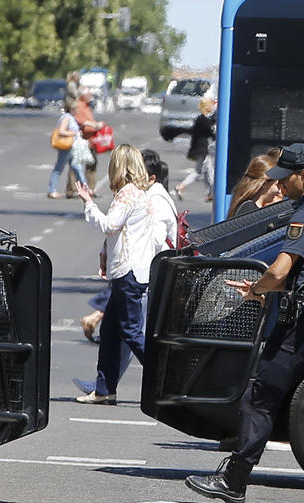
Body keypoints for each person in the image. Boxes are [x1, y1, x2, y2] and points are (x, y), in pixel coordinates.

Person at [184, 142, 304, 503]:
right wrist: (270, 289)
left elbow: (280, 269)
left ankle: (234, 479)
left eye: (286, 179)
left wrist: (258, 289)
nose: (281, 185)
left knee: (261, 396)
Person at [74, 149, 175, 395]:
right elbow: (123, 233)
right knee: (110, 330)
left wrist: (89, 203)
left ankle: (168, 378)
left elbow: (110, 225)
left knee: (131, 331)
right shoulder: (138, 193)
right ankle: (104, 389)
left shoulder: (128, 194)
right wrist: (105, 253)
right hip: (129, 270)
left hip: (129, 272)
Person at [174, 97, 216, 202]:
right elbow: (210, 132)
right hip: (202, 149)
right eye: (211, 104)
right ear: (206, 106)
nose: (212, 107)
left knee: (203, 171)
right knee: (205, 171)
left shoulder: (200, 119)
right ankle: (211, 192)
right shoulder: (203, 120)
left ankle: (210, 193)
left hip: (200, 149)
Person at [66, 88, 103, 198]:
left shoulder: (87, 106)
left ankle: (91, 189)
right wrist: (91, 124)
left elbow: (90, 119)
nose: (91, 96)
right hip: (80, 139)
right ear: (83, 96)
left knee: (92, 164)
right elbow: (77, 119)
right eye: (88, 94)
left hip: (90, 139)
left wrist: (97, 124)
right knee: (76, 164)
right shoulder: (78, 105)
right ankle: (72, 190)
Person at [226, 148, 284, 217]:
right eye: (277, 185)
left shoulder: (251, 208)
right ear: (264, 184)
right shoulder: (249, 211)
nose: (279, 191)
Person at [47, 103, 87, 199]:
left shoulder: (71, 118)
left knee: (76, 167)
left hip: (71, 146)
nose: (78, 110)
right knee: (59, 168)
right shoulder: (66, 117)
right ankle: (51, 190)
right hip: (66, 146)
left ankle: (85, 188)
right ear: (72, 109)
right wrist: (74, 133)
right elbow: (61, 131)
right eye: (77, 108)